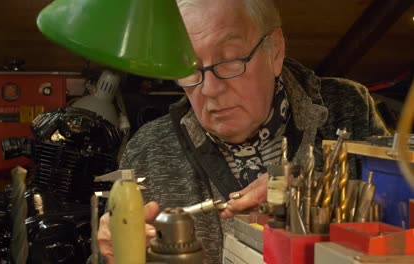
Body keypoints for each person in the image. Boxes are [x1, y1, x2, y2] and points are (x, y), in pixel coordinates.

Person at [98, 0, 389, 263]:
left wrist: (311, 201)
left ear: (274, 50)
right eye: (188, 67)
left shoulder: (349, 111)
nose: (210, 89)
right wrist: (111, 253)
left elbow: (397, 228)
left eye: (230, 60)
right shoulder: (148, 150)